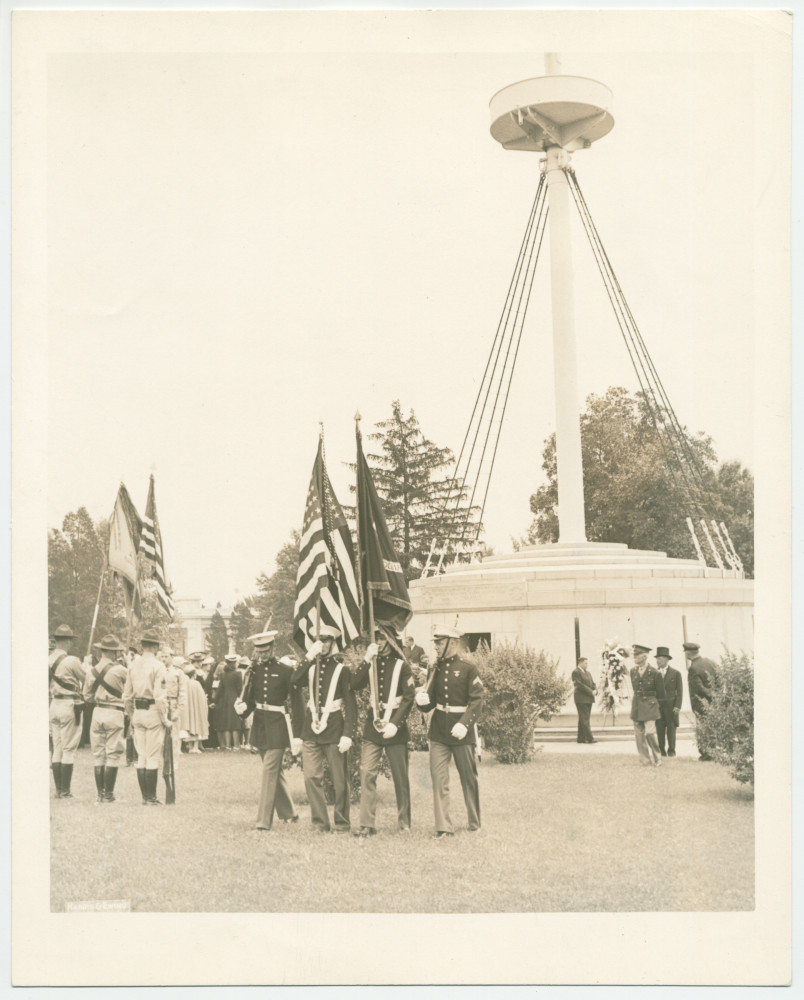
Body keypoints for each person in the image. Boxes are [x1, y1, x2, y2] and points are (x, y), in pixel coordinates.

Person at [414, 624, 483, 838]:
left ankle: (474, 821)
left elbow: (477, 700)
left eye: (440, 642)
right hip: (439, 732)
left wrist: (465, 724)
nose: (435, 646)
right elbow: (430, 702)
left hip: (461, 731)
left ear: (452, 643)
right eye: (435, 642)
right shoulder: (436, 668)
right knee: (439, 779)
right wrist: (422, 702)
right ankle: (443, 826)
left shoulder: (468, 668)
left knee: (468, 778)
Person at [291, 624, 357, 834]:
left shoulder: (342, 669)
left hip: (334, 729)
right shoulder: (310, 666)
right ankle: (319, 822)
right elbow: (294, 680)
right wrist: (309, 656)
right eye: (319, 640)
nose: (324, 644)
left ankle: (342, 822)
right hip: (311, 730)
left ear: (333, 642)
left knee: (339, 781)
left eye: (327, 640)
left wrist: (348, 733)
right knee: (311, 777)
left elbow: (351, 704)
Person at [351, 625, 416, 837]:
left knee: (400, 777)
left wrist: (395, 724)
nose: (377, 642)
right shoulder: (372, 662)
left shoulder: (401, 666)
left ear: (390, 639)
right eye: (375, 638)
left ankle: (404, 822)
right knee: (367, 773)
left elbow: (408, 698)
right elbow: (354, 684)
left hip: (395, 728)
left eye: (381, 638)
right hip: (373, 727)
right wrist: (366, 659)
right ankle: (367, 824)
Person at [235, 630, 302, 831]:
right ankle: (289, 813)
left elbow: (298, 704)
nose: (262, 655)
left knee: (268, 770)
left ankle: (263, 821)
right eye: (259, 651)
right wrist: (241, 710)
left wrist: (298, 734)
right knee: (274, 770)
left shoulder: (285, 671)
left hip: (278, 725)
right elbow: (250, 703)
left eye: (265, 651)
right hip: (261, 725)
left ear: (273, 648)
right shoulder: (253, 671)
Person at [123, 628, 169, 804]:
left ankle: (145, 797)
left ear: (142, 646)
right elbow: (160, 696)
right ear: (156, 647)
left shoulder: (133, 665)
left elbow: (127, 696)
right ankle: (151, 797)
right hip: (152, 711)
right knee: (152, 756)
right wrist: (165, 718)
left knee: (141, 756)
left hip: (138, 712)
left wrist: (132, 715)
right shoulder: (158, 666)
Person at [82, 633, 127, 804]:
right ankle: (108, 795)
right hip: (114, 711)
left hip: (97, 712)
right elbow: (129, 690)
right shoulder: (120, 670)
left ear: (101, 651)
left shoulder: (91, 671)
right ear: (115, 653)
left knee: (99, 754)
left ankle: (100, 794)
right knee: (113, 754)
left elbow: (87, 696)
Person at [49, 624, 87, 799]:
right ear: (68, 642)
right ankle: (65, 791)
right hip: (68, 705)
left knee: (57, 748)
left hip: (54, 704)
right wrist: (86, 665)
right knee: (69, 748)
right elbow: (87, 678)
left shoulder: (47, 659)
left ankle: (58, 790)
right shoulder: (72, 660)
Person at [629, 644, 666, 767]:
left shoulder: (655, 673)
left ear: (644, 657)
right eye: (634, 655)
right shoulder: (633, 671)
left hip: (650, 706)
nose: (634, 657)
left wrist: (657, 709)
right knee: (639, 735)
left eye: (637, 655)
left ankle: (658, 758)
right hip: (637, 706)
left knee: (650, 733)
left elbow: (661, 694)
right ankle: (645, 761)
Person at [684, 641, 716, 761]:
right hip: (713, 702)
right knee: (712, 727)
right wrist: (715, 695)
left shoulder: (693, 668)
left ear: (688, 653)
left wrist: (709, 695)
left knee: (702, 728)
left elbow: (698, 687)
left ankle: (706, 755)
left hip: (701, 703)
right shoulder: (711, 662)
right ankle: (713, 752)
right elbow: (719, 679)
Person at [655, 645, 683, 757]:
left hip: (671, 707)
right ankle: (661, 751)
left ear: (666, 660)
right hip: (658, 707)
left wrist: (678, 706)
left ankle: (671, 751)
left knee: (671, 730)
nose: (657, 661)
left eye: (660, 659)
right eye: (657, 659)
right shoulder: (654, 673)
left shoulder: (675, 673)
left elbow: (680, 691)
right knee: (660, 730)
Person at [180, 656, 209, 753]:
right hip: (196, 709)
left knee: (189, 724)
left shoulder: (184, 684)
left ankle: (190, 745)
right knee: (196, 724)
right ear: (194, 675)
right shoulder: (196, 684)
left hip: (188, 709)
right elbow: (201, 698)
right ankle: (195, 747)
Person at [215, 654, 244, 749]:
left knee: (227, 722)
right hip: (235, 699)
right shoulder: (238, 674)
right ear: (234, 663)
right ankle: (236, 745)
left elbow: (220, 689)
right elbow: (240, 688)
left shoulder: (223, 675)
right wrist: (242, 699)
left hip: (225, 700)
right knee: (235, 723)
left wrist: (215, 701)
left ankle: (227, 745)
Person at [572, 656, 597, 744]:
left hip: (588, 699)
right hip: (581, 699)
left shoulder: (588, 673)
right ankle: (589, 738)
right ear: (580, 663)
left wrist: (595, 690)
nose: (587, 665)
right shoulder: (576, 672)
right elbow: (579, 685)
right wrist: (591, 692)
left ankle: (581, 738)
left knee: (583, 718)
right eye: (586, 663)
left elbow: (593, 683)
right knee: (585, 718)